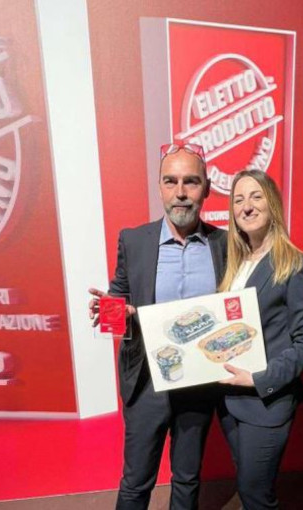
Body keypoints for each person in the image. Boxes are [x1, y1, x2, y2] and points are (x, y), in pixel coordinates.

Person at [88, 143, 226, 510]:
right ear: (160, 187)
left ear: (206, 189)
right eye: (170, 181)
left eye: (190, 182)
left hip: (199, 382)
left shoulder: (225, 244)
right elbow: (119, 299)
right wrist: (108, 310)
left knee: (187, 478)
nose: (180, 192)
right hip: (147, 380)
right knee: (136, 482)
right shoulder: (134, 240)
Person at [217, 169, 303, 510]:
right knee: (249, 487)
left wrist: (260, 378)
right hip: (229, 399)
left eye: (255, 196)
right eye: (238, 200)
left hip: (266, 402)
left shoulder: (296, 265)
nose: (246, 206)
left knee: (255, 495)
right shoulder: (233, 265)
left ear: (272, 204)